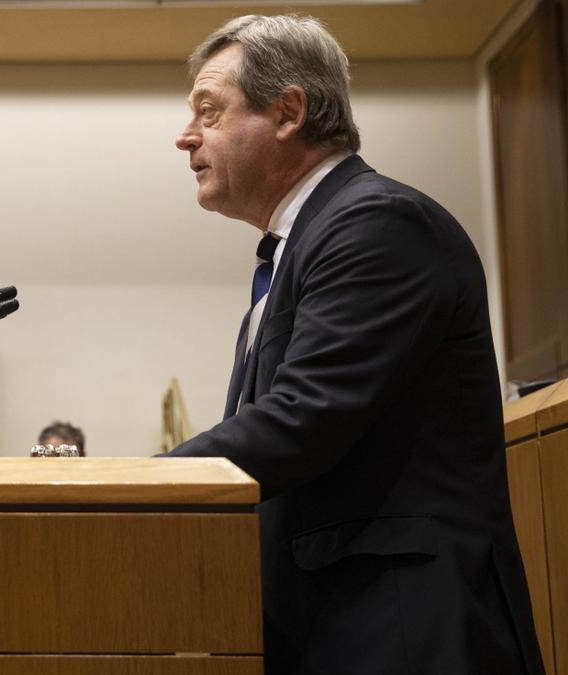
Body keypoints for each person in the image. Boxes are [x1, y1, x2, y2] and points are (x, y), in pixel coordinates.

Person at [167, 15, 543, 675]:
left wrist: (140, 481)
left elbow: (301, 418)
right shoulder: (305, 244)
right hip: (338, 621)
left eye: (210, 111)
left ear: (288, 111)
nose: (185, 136)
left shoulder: (376, 224)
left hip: (399, 628)